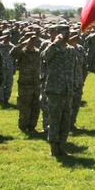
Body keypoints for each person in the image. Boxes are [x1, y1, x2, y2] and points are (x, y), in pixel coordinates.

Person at [42, 24, 76, 156]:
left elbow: (73, 68)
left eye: (68, 34)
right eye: (64, 34)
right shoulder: (52, 48)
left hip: (67, 90)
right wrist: (55, 43)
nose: (67, 36)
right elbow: (44, 57)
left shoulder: (70, 50)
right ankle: (54, 148)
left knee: (65, 121)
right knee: (55, 120)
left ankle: (62, 146)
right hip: (55, 90)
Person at [11, 31, 42, 134]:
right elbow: (12, 53)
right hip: (25, 83)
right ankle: (23, 127)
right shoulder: (22, 52)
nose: (32, 42)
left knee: (35, 107)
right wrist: (24, 43)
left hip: (36, 83)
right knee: (24, 107)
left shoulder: (38, 52)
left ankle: (32, 126)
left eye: (34, 40)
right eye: (31, 39)